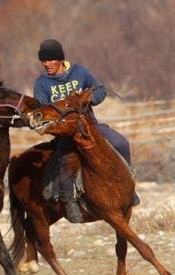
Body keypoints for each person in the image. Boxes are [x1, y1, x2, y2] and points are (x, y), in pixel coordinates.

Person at [33, 39, 134, 223]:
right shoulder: (41, 84)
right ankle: (69, 201)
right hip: (64, 135)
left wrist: (88, 100)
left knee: (121, 143)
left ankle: (129, 187)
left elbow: (100, 90)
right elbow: (41, 111)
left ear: (60, 59)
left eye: (50, 60)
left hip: (91, 128)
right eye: (43, 61)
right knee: (66, 161)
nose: (46, 64)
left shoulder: (80, 72)